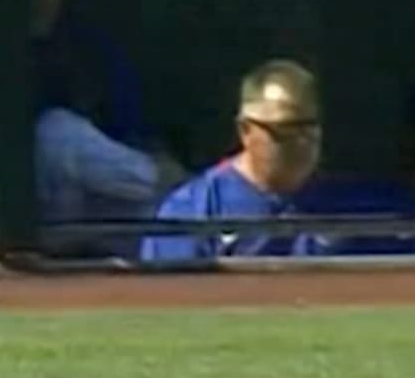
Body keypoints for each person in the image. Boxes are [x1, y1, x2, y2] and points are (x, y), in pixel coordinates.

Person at [141, 61, 330, 264]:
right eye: (284, 130)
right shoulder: (194, 210)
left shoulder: (342, 201)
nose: (301, 141)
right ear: (245, 130)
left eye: (309, 126)